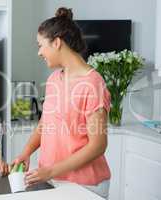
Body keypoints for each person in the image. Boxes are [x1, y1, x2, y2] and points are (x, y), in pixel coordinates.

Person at [12, 7, 111, 198]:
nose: (39, 52)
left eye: (40, 45)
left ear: (56, 42)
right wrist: (26, 153)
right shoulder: (54, 79)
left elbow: (98, 145)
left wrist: (51, 171)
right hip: (53, 180)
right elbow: (45, 123)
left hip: (84, 185)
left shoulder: (92, 83)